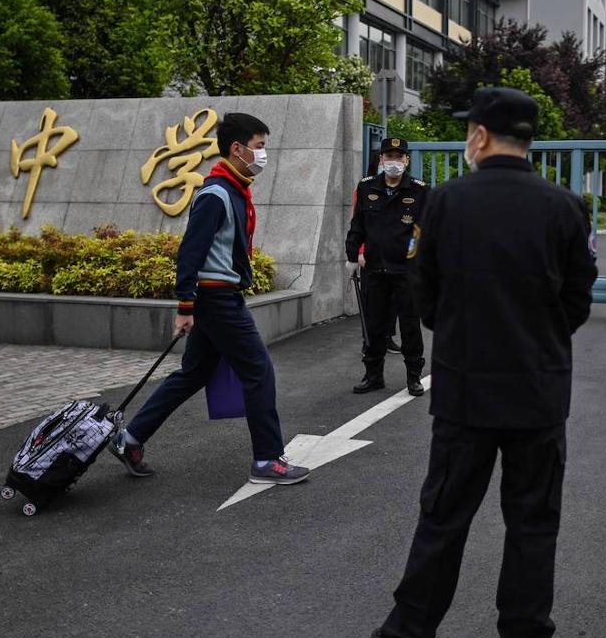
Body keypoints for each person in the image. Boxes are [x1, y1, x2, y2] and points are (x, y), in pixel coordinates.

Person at [371, 87, 597, 638]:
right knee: (533, 525)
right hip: (538, 394)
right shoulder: (566, 206)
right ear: (528, 139)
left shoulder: (446, 202)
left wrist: (464, 337)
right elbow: (577, 301)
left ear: (478, 136)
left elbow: (426, 293)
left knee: (443, 518)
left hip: (465, 392)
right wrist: (537, 342)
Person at [110, 113, 309, 485]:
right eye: (259, 147)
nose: (263, 155)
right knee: (258, 370)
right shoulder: (216, 194)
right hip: (217, 299)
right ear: (237, 149)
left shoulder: (234, 189)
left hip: (219, 296)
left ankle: (130, 438)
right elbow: (190, 252)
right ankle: (267, 460)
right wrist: (186, 306)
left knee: (194, 373)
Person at [346, 136, 428, 396]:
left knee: (410, 327)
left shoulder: (419, 190)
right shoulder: (366, 186)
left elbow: (424, 231)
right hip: (375, 270)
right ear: (381, 160)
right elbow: (357, 225)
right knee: (374, 325)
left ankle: (414, 376)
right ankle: (373, 375)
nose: (393, 161)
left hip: (406, 272)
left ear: (406, 160)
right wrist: (351, 256)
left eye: (398, 156)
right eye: (388, 156)